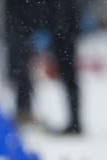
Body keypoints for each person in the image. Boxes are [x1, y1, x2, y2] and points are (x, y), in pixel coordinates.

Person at [6, 0, 82, 134]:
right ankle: (24, 111)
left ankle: (75, 122)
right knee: (22, 70)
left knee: (68, 76)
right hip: (54, 27)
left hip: (63, 30)